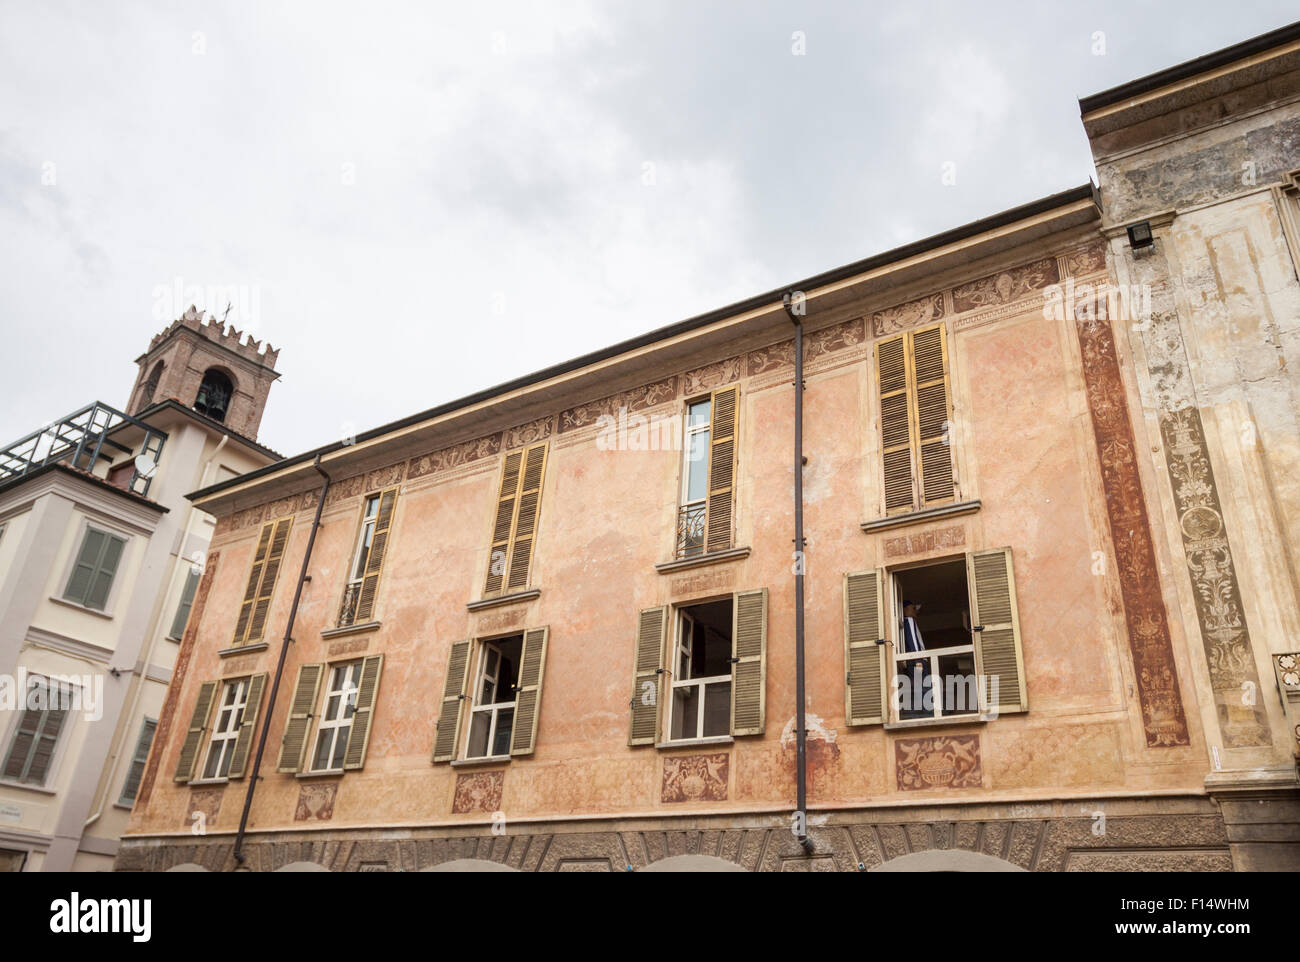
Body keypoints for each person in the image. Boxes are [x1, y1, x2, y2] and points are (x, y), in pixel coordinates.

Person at [900, 600, 931, 717]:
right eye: (913, 608)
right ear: (905, 609)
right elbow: (913, 640)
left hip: (913, 660)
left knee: (920, 687)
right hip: (916, 660)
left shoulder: (907, 622)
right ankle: (927, 713)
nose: (915, 611)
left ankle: (923, 712)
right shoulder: (909, 621)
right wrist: (918, 660)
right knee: (924, 687)